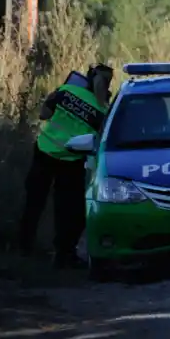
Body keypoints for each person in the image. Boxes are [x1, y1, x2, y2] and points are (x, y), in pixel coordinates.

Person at [18, 64, 113, 268]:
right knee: (69, 210)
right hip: (70, 161)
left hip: (44, 151)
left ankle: (23, 247)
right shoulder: (102, 111)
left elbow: (44, 114)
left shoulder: (66, 91)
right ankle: (64, 254)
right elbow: (99, 140)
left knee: (33, 204)